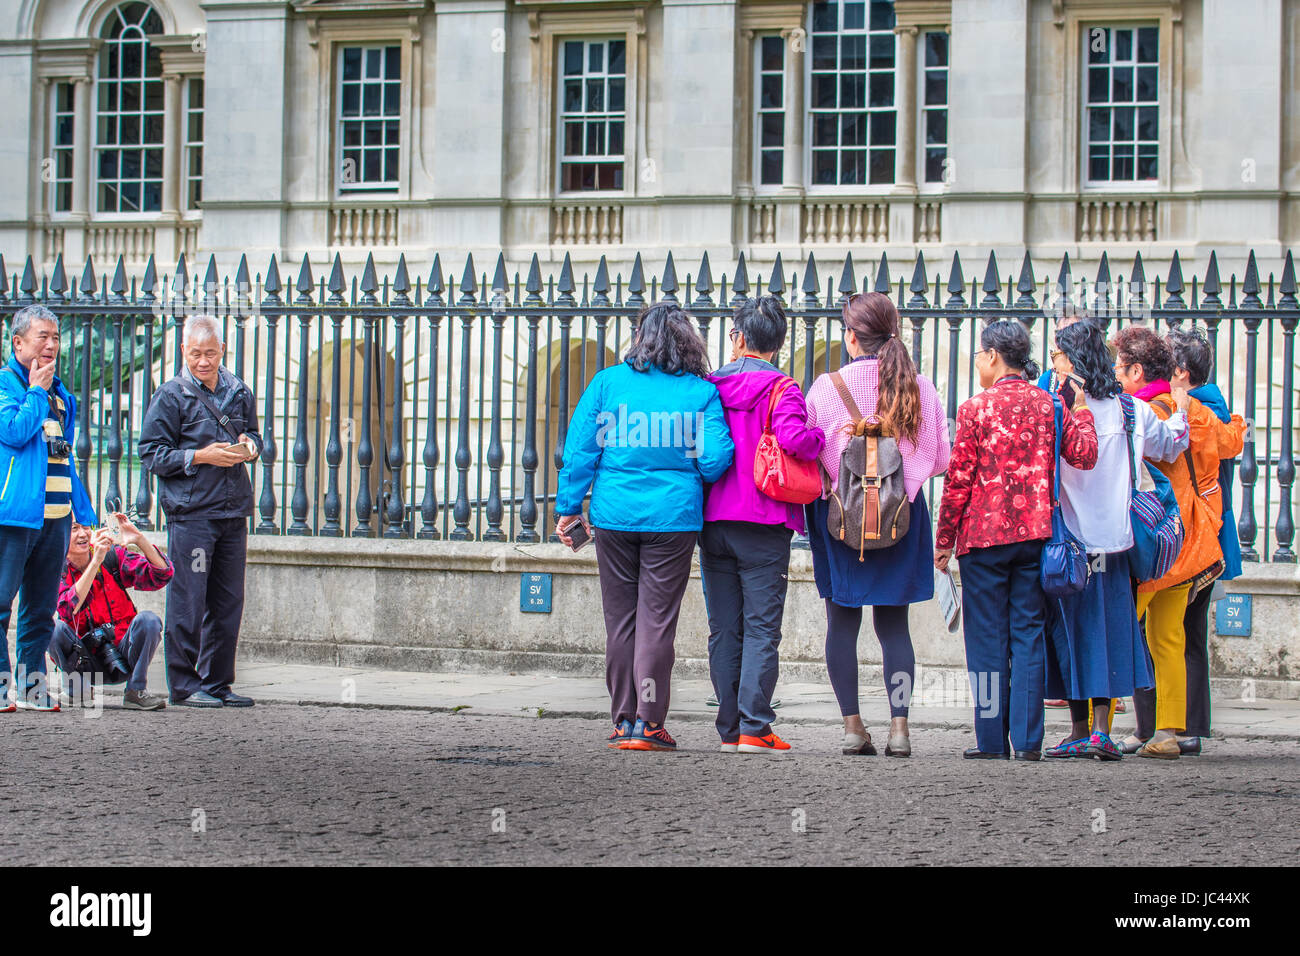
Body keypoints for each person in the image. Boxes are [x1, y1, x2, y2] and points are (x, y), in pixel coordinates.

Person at [554, 302, 733, 752]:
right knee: (657, 622)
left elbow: (580, 453)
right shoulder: (700, 393)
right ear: (687, 341)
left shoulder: (608, 384)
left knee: (620, 622)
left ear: (640, 337)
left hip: (614, 516)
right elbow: (714, 462)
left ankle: (622, 721)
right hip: (673, 520)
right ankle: (649, 725)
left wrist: (569, 508)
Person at [935, 319, 1097, 760]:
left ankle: (991, 741)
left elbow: (958, 481)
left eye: (979, 355)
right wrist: (1080, 409)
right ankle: (1028, 743)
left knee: (986, 641)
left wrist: (944, 538)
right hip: (1035, 535)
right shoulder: (1049, 405)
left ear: (991, 356)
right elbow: (1084, 455)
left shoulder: (975, 409)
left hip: (983, 539)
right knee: (1028, 635)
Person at [804, 292, 950, 757]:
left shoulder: (827, 388)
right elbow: (941, 458)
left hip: (842, 520)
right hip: (900, 517)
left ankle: (852, 727)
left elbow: (813, 454)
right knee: (895, 629)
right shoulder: (919, 387)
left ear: (851, 337)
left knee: (840, 625)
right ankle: (900, 729)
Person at [1040, 322, 1190, 760]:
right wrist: (1180, 408)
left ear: (1074, 360)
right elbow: (1172, 443)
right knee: (1107, 635)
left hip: (1071, 544)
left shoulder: (1061, 410)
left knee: (1070, 633)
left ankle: (1078, 728)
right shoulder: (1132, 412)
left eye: (1058, 355)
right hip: (1117, 545)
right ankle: (1102, 731)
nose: (1054, 362)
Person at [1110, 326, 1244, 759]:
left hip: (1148, 541)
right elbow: (1231, 441)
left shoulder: (1138, 412)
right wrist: (1240, 419)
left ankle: (1101, 724)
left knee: (1119, 630)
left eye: (1120, 367)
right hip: (1186, 539)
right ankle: (1167, 732)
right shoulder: (1197, 413)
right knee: (1170, 638)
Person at [699, 296, 825, 754]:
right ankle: (756, 725)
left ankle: (729, 729)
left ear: (738, 338)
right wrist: (821, 436)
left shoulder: (710, 385)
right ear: (778, 344)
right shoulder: (783, 388)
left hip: (713, 519)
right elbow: (795, 439)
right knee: (761, 626)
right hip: (766, 520)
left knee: (723, 628)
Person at [138, 315, 262, 708]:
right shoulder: (170, 395)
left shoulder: (239, 391)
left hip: (232, 510)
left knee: (228, 602)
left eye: (210, 353)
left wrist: (251, 446)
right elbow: (150, 453)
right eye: (196, 354)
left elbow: (257, 436)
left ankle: (218, 682)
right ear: (183, 351)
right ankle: (184, 685)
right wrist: (199, 456)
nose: (204, 361)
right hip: (191, 514)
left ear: (222, 350)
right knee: (188, 599)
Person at [0, 304, 98, 711]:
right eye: (43, 336)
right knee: (0, 605)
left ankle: (30, 689)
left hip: (56, 520)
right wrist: (36, 390)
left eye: (56, 337)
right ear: (18, 342)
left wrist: (84, 512)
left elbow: (64, 457)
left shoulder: (62, 396)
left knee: (40, 610)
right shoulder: (7, 385)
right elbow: (14, 432)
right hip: (13, 518)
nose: (51, 345)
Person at [1158, 327, 1242, 755]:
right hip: (1208, 532)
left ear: (1180, 371)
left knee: (1182, 630)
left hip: (1198, 534)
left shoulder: (1196, 408)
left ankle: (1185, 726)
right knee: (1187, 631)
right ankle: (1190, 725)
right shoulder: (1215, 405)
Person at [51, 515, 174, 711]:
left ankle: (136, 690)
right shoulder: (56, 569)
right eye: (74, 529)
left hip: (123, 655)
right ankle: (77, 691)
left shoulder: (112, 556)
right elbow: (68, 608)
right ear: (61, 534)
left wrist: (139, 539)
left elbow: (161, 575)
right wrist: (94, 561)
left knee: (149, 620)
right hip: (83, 662)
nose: (83, 534)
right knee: (52, 629)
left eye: (86, 527)